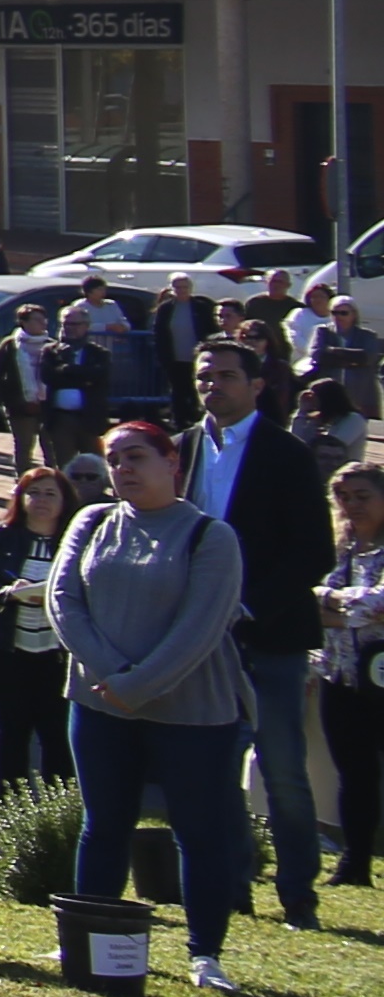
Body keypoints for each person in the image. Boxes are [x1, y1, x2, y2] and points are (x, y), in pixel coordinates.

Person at [53, 414, 258, 990]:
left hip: (192, 713)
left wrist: (137, 684)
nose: (122, 469)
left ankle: (204, 953)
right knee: (104, 823)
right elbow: (64, 603)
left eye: (135, 457)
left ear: (172, 463)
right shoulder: (91, 522)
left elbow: (201, 629)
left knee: (199, 829)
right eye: (114, 460)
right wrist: (112, 675)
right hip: (99, 703)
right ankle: (87, 935)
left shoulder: (209, 536)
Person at [178, 335, 335, 928]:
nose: (212, 385)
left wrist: (250, 606)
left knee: (283, 769)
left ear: (256, 385)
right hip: (203, 642)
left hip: (269, 637)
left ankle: (298, 894)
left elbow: (312, 551)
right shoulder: (184, 449)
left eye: (224, 375)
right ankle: (234, 882)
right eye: (203, 376)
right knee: (217, 769)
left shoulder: (285, 453)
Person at [0, 462, 80, 791]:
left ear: (64, 501)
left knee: (56, 728)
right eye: (34, 492)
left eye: (50, 494)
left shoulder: (76, 540)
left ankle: (59, 807)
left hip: (58, 650)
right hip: (7, 647)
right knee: (13, 727)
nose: (41, 500)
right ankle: (9, 805)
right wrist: (8, 594)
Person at [315, 461, 384, 895]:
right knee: (353, 774)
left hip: (380, 675)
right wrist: (345, 607)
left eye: (363, 496)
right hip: (338, 675)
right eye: (344, 497)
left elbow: (375, 608)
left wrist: (334, 604)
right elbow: (310, 604)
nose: (352, 505)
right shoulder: (337, 548)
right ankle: (355, 860)